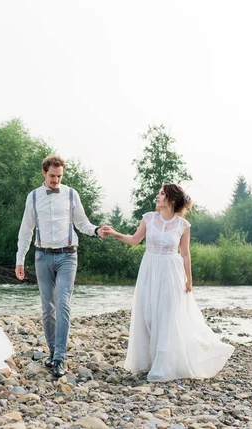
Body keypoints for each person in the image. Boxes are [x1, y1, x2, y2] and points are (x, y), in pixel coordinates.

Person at [106, 184, 234, 381]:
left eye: (162, 193)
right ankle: (146, 361)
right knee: (147, 313)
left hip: (172, 271)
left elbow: (184, 253)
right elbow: (134, 239)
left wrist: (189, 279)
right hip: (149, 268)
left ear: (172, 199)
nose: (157, 196)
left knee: (167, 315)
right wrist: (114, 233)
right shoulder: (148, 218)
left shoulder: (183, 225)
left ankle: (163, 365)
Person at [15, 154, 109, 377]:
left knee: (63, 303)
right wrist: (20, 259)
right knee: (48, 308)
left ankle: (60, 359)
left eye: (59, 176)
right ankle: (52, 351)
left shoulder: (71, 194)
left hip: (68, 256)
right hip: (42, 257)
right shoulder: (34, 197)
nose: (56, 180)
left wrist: (96, 230)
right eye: (52, 176)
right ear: (44, 173)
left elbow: (81, 222)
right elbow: (26, 230)